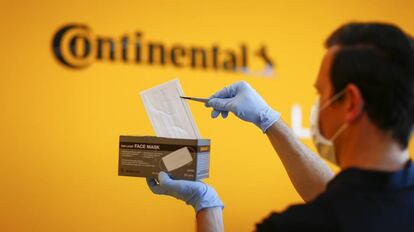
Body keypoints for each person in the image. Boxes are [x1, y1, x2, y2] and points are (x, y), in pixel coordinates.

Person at [146, 22, 414, 231]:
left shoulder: (296, 227)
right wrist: (269, 120)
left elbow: (346, 206)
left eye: (321, 93)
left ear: (351, 103)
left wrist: (206, 205)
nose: (318, 105)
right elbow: (355, 199)